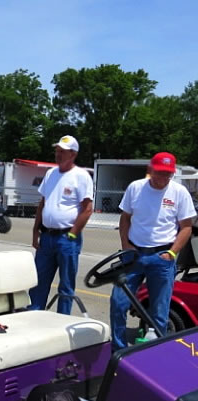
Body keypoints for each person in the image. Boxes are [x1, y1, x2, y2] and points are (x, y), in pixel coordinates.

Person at [110, 152, 196, 351]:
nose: (163, 178)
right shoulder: (136, 188)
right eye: (159, 173)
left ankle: (155, 353)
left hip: (162, 257)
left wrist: (172, 253)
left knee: (159, 311)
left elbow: (186, 227)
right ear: (151, 170)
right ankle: (119, 350)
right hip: (134, 255)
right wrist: (125, 245)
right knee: (118, 302)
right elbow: (125, 218)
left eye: (168, 174)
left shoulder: (179, 192)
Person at [29, 135, 93, 315]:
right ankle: (34, 315)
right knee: (38, 281)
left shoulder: (81, 176)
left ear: (73, 154)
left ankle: (62, 319)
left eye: (62, 152)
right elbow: (43, 202)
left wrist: (73, 233)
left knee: (66, 285)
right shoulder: (50, 173)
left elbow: (87, 209)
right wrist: (36, 230)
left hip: (67, 238)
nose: (58, 155)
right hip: (47, 236)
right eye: (57, 151)